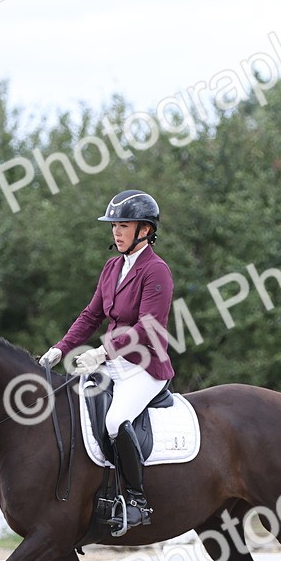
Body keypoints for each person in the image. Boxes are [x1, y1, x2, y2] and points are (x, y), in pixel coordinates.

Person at [38, 189, 174, 527]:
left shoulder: (156, 271)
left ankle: (137, 501)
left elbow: (148, 327)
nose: (115, 231)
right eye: (114, 225)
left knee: (114, 423)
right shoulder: (113, 267)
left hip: (144, 365)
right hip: (113, 363)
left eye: (123, 225)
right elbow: (90, 316)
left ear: (145, 229)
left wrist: (101, 352)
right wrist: (61, 348)